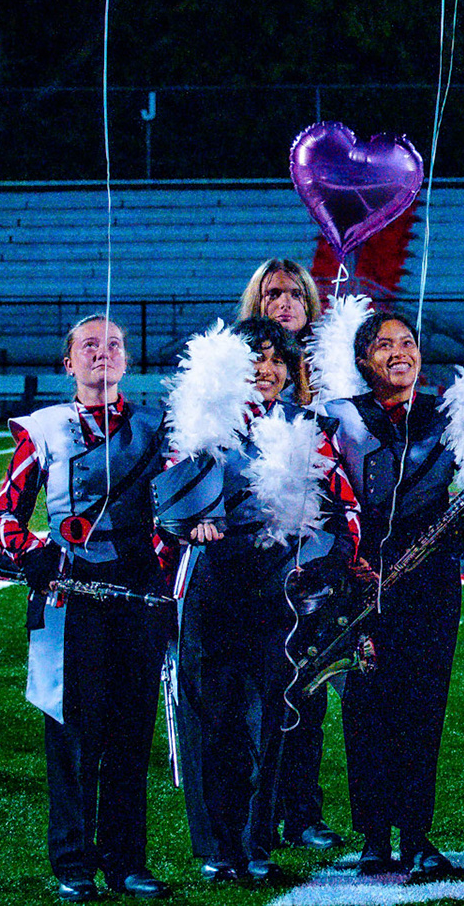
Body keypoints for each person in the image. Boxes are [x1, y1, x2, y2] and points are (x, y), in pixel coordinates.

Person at [155, 318, 360, 885]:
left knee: (270, 717)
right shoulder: (202, 423)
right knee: (213, 717)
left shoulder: (308, 427)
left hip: (279, 589)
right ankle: (217, 846)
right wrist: (186, 526)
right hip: (213, 583)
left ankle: (255, 840)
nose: (266, 370)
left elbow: (343, 506)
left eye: (277, 360)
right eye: (255, 359)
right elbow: (166, 506)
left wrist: (328, 561)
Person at [0, 315, 173, 902]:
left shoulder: (158, 426)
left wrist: (168, 556)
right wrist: (33, 552)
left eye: (114, 345)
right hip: (70, 595)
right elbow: (5, 514)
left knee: (131, 733)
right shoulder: (44, 429)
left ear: (127, 360)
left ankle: (126, 862)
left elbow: (179, 508)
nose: (103, 353)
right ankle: (73, 865)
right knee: (73, 735)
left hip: (138, 594)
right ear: (68, 363)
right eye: (89, 345)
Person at [321, 311, 464, 881]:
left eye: (407, 342)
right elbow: (320, 496)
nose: (399, 352)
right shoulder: (339, 419)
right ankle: (373, 836)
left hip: (430, 580)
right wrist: (345, 556)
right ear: (364, 360)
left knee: (423, 707)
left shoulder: (448, 415)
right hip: (360, 580)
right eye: (384, 345)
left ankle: (416, 834)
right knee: (366, 707)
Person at [235, 258, 341, 848]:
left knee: (308, 685)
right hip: (242, 559)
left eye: (295, 293)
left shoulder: (331, 364)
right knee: (247, 694)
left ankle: (302, 810)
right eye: (273, 293)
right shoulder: (235, 372)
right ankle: (252, 815)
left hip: (310, 554)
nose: (285, 303)